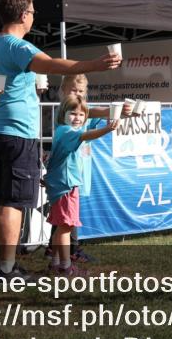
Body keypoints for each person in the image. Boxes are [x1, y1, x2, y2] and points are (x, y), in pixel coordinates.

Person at [0, 0, 121, 280]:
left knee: (1, 199)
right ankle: (7, 266)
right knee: (14, 202)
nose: (33, 17)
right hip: (18, 134)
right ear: (23, 15)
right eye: (32, 12)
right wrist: (94, 65)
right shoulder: (18, 47)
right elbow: (53, 65)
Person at [44, 95, 118, 276]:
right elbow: (86, 134)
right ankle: (66, 266)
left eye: (81, 115)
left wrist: (109, 115)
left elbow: (87, 129)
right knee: (65, 227)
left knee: (59, 225)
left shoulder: (64, 130)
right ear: (63, 114)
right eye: (73, 114)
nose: (77, 118)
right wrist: (108, 129)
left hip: (59, 184)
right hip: (66, 185)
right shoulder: (68, 132)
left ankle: (55, 263)